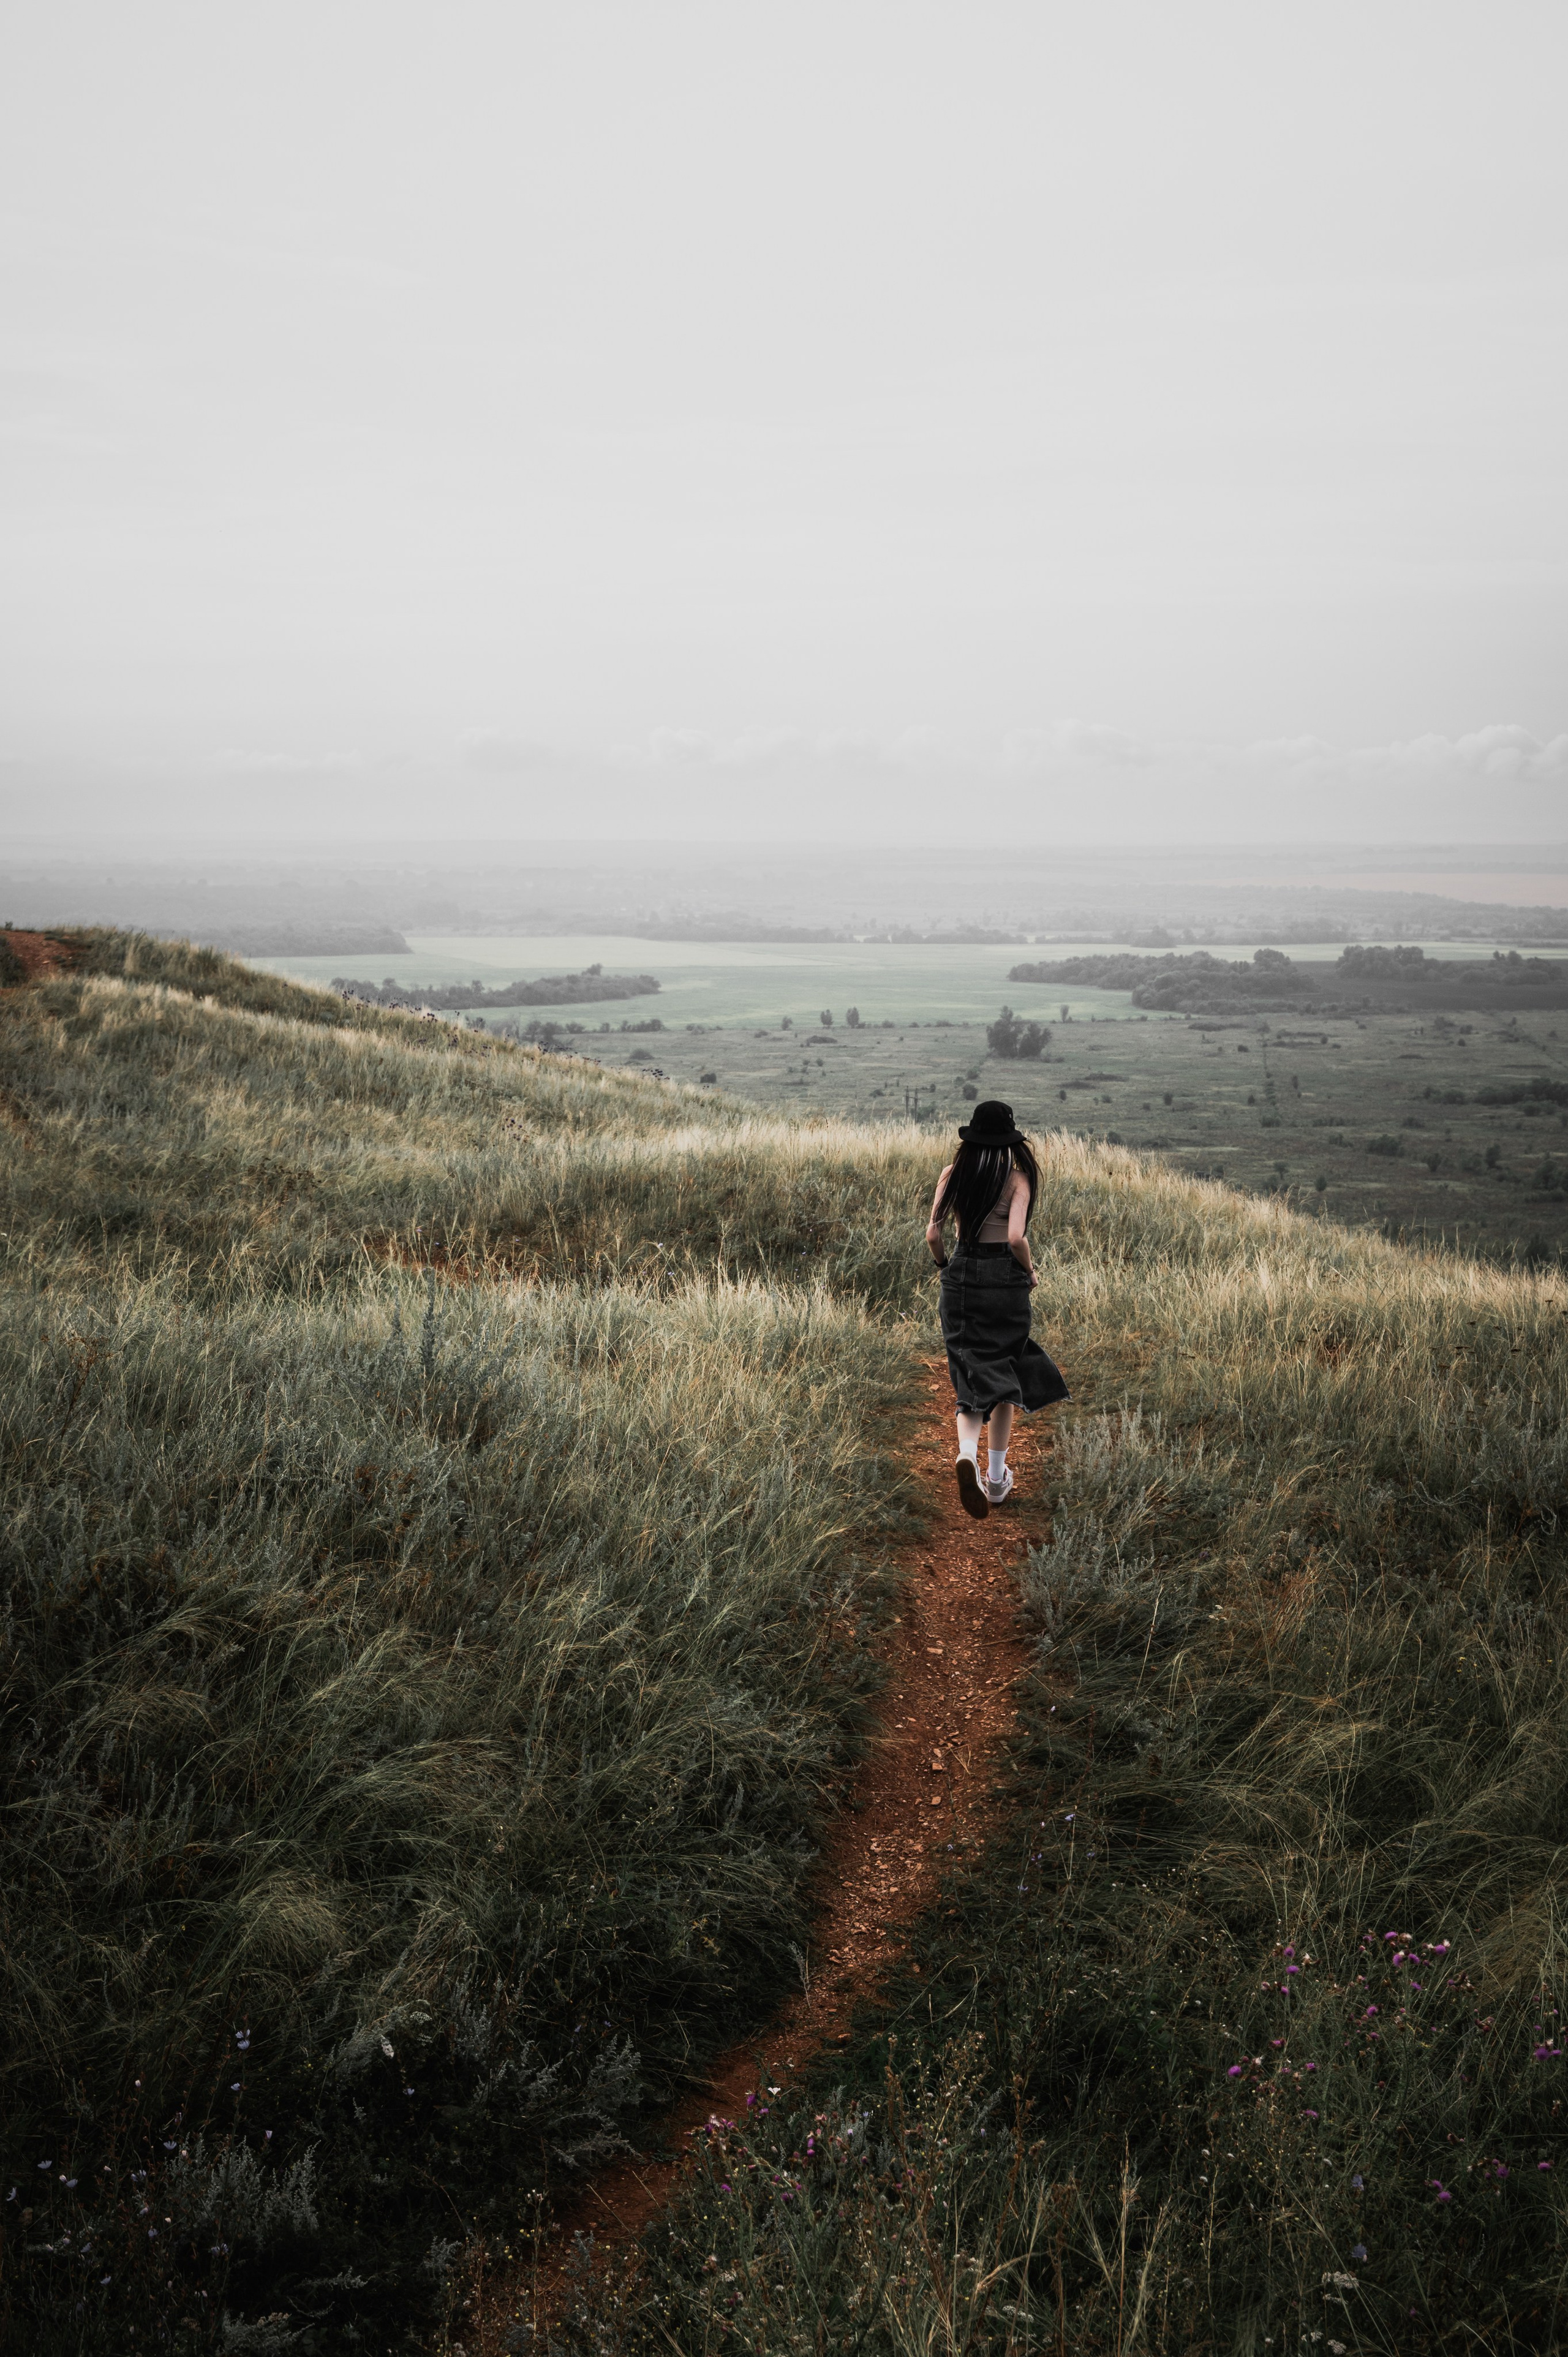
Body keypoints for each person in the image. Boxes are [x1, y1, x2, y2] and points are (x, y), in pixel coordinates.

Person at [925, 1099, 1069, 1519]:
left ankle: (966, 1453)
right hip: (1004, 1279)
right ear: (1009, 1140)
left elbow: (934, 1235)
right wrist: (1030, 1272)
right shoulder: (1019, 1179)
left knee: (970, 1367)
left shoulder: (951, 1175)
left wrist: (946, 1270)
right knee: (1006, 1369)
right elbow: (1015, 1239)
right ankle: (995, 1479)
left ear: (970, 1137)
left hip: (963, 1274)